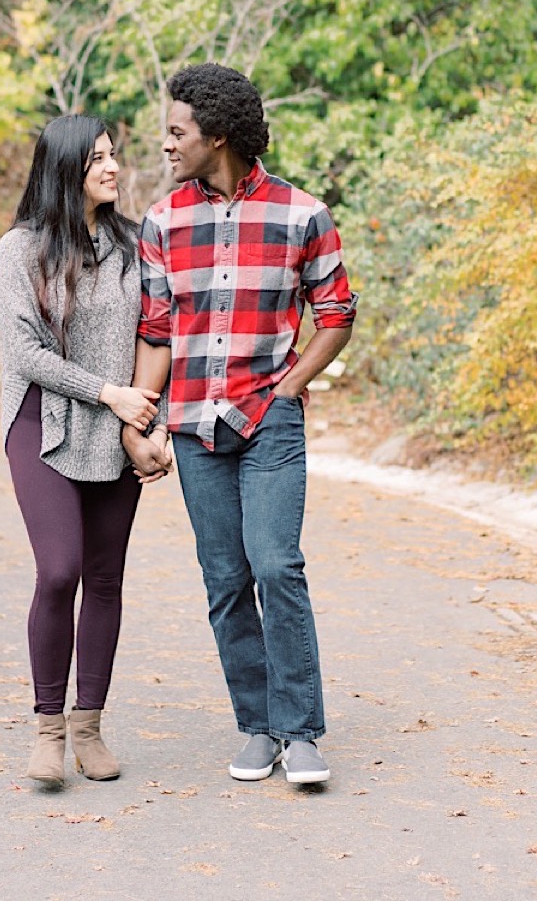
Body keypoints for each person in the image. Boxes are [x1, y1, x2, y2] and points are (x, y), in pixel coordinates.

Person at [122, 63, 356, 786]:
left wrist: (290, 386)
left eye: (176, 131)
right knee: (225, 578)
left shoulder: (301, 215)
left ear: (217, 135)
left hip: (269, 425)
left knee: (277, 566)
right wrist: (141, 419)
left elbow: (337, 314)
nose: (166, 145)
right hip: (195, 430)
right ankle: (257, 727)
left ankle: (302, 732)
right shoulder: (162, 222)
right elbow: (158, 331)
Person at [0, 114, 162, 786]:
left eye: (114, 156)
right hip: (45, 419)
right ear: (65, 170)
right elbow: (26, 353)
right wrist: (108, 394)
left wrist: (151, 418)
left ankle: (89, 725)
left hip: (118, 425)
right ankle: (47, 730)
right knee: (59, 571)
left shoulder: (135, 243)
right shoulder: (21, 250)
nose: (113, 168)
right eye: (97, 160)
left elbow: (160, 331)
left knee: (106, 577)